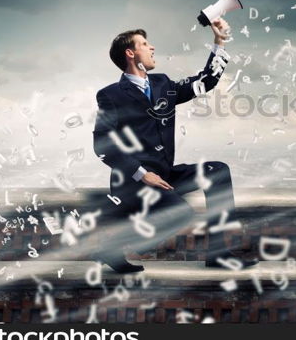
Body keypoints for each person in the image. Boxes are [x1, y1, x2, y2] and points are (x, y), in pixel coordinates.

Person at [92, 18, 254, 273]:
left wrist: (219, 41)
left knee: (217, 171)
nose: (152, 47)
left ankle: (219, 254)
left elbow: (205, 82)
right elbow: (102, 145)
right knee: (181, 214)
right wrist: (143, 175)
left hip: (165, 176)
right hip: (134, 183)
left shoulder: (163, 84)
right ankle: (110, 248)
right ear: (130, 53)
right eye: (145, 44)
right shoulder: (110, 95)